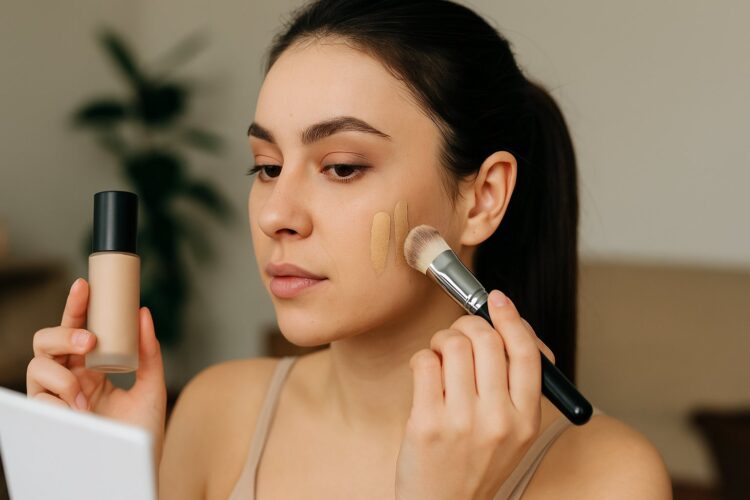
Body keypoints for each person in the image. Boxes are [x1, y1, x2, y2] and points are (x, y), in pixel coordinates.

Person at [26, 0, 673, 498]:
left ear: (481, 198)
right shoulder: (218, 410)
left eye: (341, 167)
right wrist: (95, 482)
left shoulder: (610, 477)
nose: (276, 215)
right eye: (267, 166)